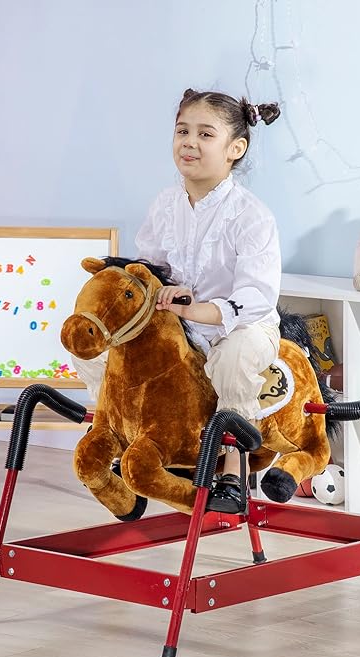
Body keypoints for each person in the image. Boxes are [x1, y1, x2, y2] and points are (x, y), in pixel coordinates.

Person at [135, 88, 282, 513]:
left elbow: (256, 296)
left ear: (236, 148)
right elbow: (151, 266)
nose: (189, 142)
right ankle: (132, 439)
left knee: (233, 358)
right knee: (110, 350)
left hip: (243, 326)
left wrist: (200, 309)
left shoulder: (251, 215)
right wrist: (157, 288)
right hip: (181, 321)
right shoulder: (165, 204)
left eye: (205, 134)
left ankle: (234, 472)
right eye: (182, 131)